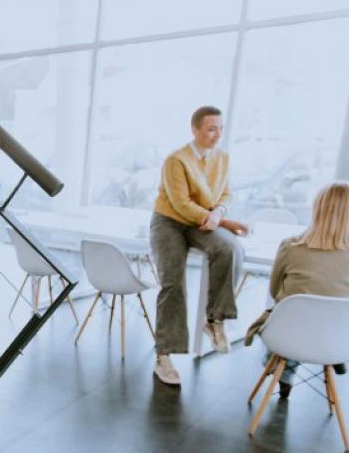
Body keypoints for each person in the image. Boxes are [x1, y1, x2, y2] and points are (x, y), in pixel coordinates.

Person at [149, 106, 246, 386]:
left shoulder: (223, 158)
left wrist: (219, 213)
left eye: (220, 129)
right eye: (211, 129)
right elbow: (180, 204)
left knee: (230, 249)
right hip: (169, 221)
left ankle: (215, 320)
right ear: (195, 130)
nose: (217, 135)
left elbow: (226, 192)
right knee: (173, 283)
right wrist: (217, 219)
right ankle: (164, 355)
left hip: (203, 221)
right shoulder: (175, 160)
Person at [246, 182, 349, 398]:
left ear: (317, 209)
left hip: (289, 335)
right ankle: (334, 357)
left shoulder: (290, 247)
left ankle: (283, 371)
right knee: (324, 314)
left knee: (290, 313)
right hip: (338, 338)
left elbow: (275, 292)